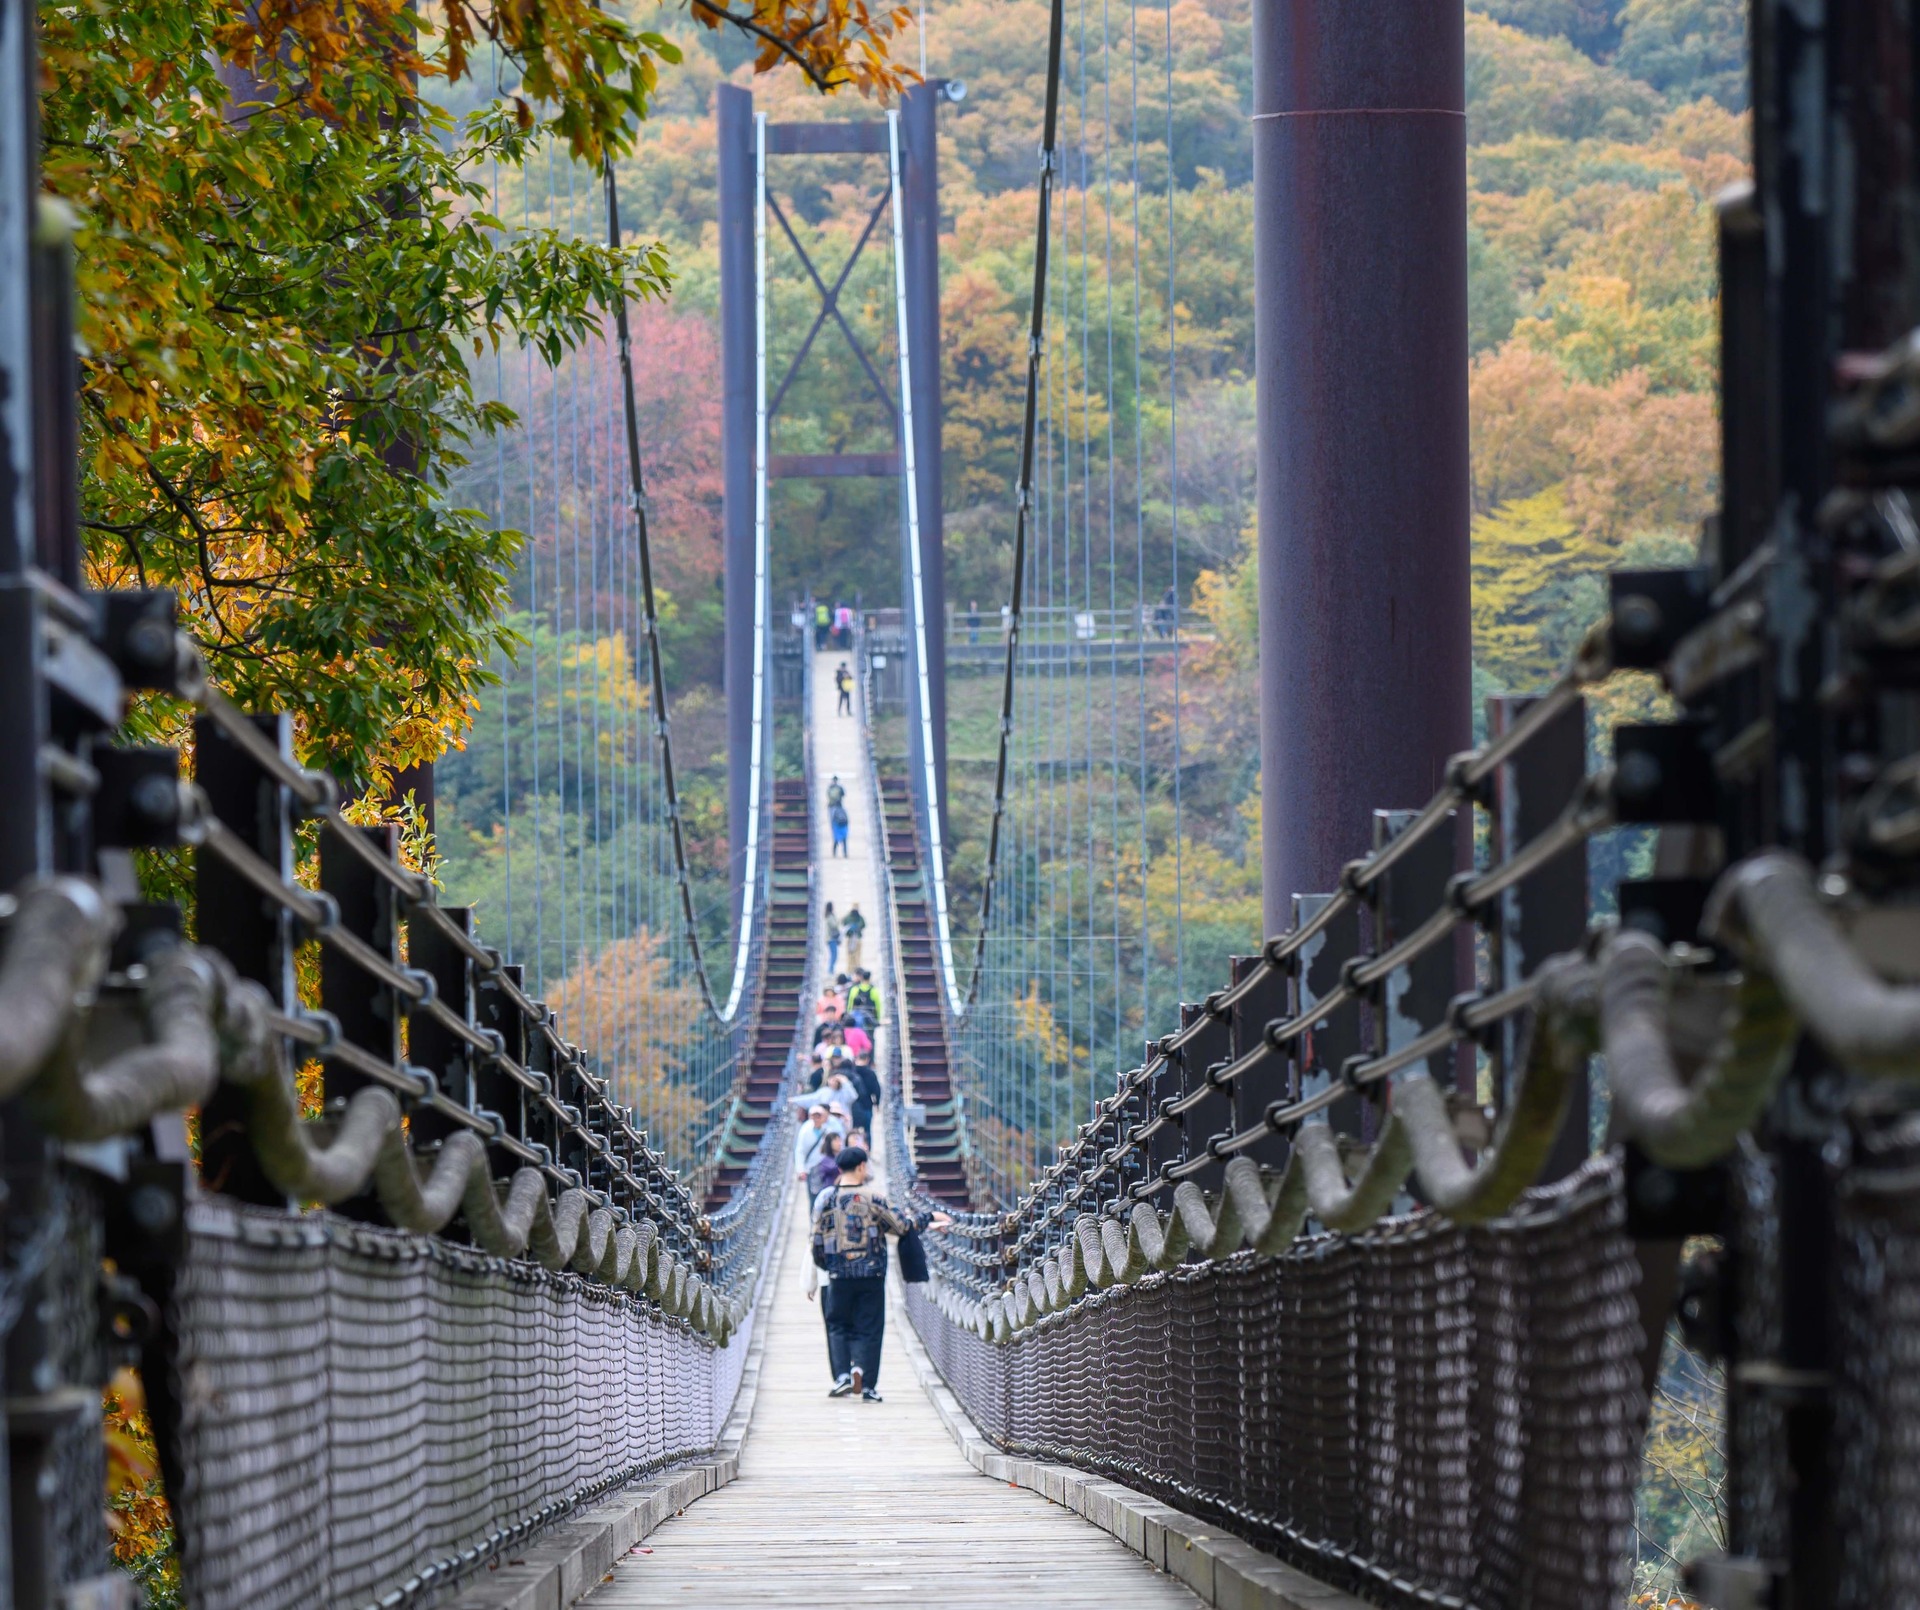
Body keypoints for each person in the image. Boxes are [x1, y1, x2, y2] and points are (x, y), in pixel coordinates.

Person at [812, 1147, 951, 1399]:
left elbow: (816, 1240)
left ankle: (842, 1376)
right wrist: (929, 1217)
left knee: (837, 1325)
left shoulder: (826, 1199)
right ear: (862, 1167)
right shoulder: (875, 1198)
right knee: (870, 1328)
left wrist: (827, 1266)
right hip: (871, 1274)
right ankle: (866, 1382)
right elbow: (902, 1226)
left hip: (838, 1274)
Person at [793, 1103, 842, 1179]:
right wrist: (801, 1169)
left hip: (827, 1166)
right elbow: (800, 1150)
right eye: (814, 1116)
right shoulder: (805, 1130)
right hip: (811, 1167)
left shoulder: (828, 1130)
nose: (817, 1118)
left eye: (819, 1116)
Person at [806, 1130, 844, 1199]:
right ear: (829, 1143)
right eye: (836, 1141)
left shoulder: (842, 1156)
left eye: (840, 1140)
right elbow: (834, 1168)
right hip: (829, 1194)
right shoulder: (825, 1160)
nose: (839, 1143)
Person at [842, 904, 866, 970]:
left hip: (857, 938)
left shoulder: (860, 917)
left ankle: (857, 969)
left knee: (857, 955)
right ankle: (850, 969)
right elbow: (844, 924)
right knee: (850, 955)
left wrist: (857, 927)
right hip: (850, 938)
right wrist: (850, 928)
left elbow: (863, 924)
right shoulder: (848, 917)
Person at [822, 900, 840, 974]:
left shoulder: (828, 915)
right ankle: (830, 970)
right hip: (831, 938)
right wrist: (838, 921)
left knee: (833, 955)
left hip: (831, 938)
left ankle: (831, 970)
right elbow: (834, 925)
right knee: (834, 955)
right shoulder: (830, 916)